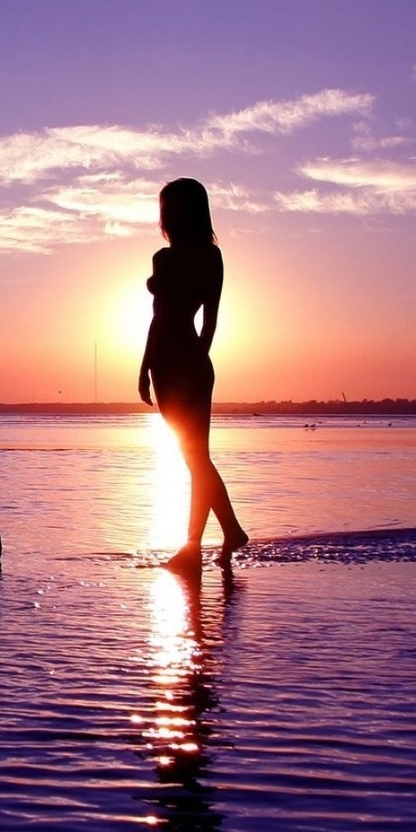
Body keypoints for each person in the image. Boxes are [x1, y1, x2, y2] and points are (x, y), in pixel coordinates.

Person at [138, 178, 248, 569]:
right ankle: (224, 533)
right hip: (163, 366)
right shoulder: (161, 259)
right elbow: (157, 319)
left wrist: (196, 363)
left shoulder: (209, 256)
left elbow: (211, 320)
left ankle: (197, 546)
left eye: (173, 206)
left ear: (193, 209)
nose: (166, 214)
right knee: (193, 458)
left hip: (190, 364)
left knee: (196, 457)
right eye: (164, 207)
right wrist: (144, 367)